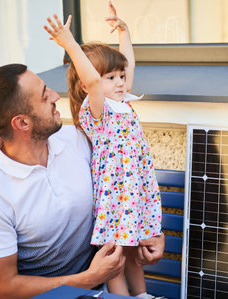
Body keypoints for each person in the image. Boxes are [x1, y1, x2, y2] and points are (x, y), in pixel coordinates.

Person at [0, 65, 165, 298]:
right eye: (44, 95)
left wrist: (150, 233)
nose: (54, 96)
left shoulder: (77, 140)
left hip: (100, 290)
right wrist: (89, 278)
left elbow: (125, 184)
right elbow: (3, 288)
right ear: (22, 123)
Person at [44, 2, 162, 298]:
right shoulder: (96, 110)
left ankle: (141, 295)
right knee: (116, 257)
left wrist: (125, 32)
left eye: (120, 76)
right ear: (88, 85)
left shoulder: (122, 103)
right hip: (116, 193)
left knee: (134, 251)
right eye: (112, 78)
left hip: (136, 189)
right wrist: (69, 43)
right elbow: (94, 80)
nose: (120, 81)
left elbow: (129, 65)